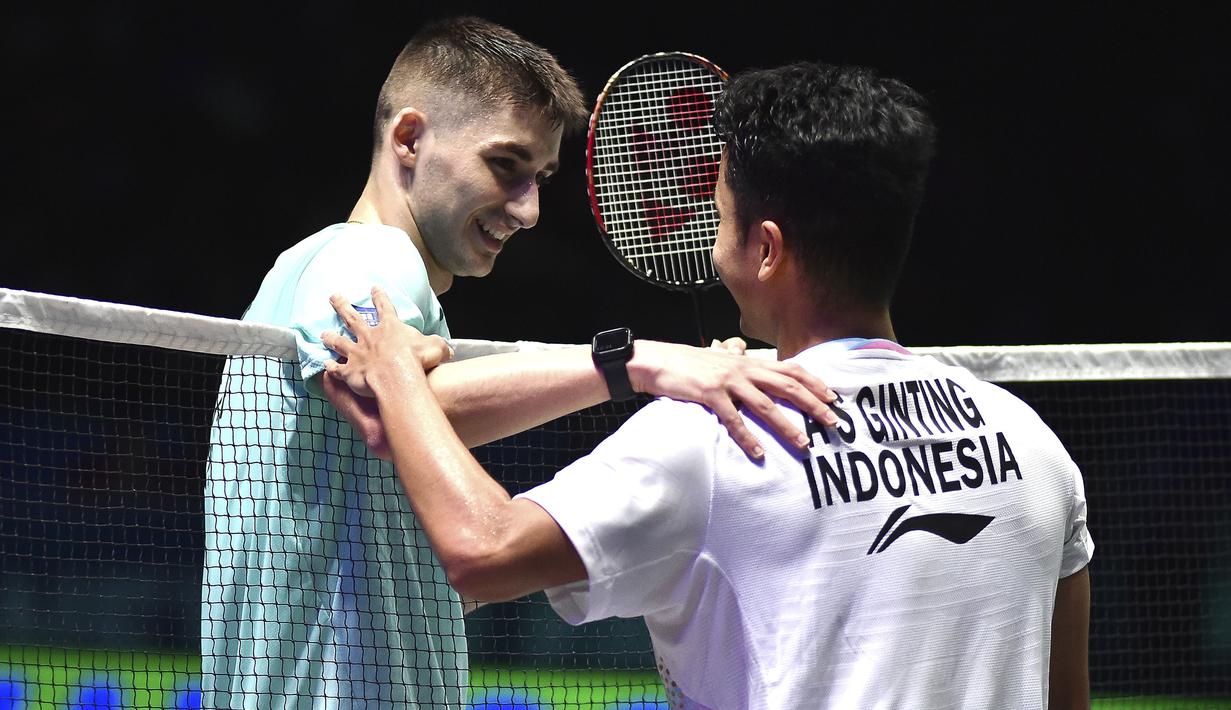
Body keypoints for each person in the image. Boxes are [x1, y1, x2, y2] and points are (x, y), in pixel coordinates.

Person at [322, 61, 1093, 709]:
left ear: (766, 250)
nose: (714, 247)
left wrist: (395, 373)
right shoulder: (1034, 446)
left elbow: (481, 551)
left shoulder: (718, 436)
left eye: (718, 217)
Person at [204, 17, 838, 709]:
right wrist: (639, 363)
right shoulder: (367, 257)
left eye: (539, 178)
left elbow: (409, 499)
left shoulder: (322, 271)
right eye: (505, 165)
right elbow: (389, 409)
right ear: (409, 138)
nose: (530, 209)